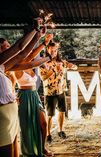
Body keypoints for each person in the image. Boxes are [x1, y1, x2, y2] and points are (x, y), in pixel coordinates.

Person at [0, 18, 46, 157]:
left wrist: (38, 36)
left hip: (10, 113)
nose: (9, 51)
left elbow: (23, 54)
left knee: (15, 152)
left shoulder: (2, 67)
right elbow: (19, 48)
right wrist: (35, 30)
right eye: (6, 48)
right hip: (2, 117)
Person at [14, 34, 53, 157]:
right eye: (28, 50)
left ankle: (42, 148)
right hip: (24, 96)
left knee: (43, 123)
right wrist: (47, 53)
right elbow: (30, 57)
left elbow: (31, 57)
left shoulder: (30, 63)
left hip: (34, 95)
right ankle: (29, 152)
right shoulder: (16, 66)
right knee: (27, 127)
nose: (31, 53)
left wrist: (45, 42)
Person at [39, 41, 78, 143]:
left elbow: (73, 67)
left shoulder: (61, 62)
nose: (54, 53)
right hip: (49, 92)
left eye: (55, 51)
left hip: (61, 91)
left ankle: (61, 130)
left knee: (62, 112)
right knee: (50, 114)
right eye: (52, 51)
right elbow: (43, 78)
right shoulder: (43, 64)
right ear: (47, 50)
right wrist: (54, 70)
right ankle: (48, 134)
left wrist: (72, 66)